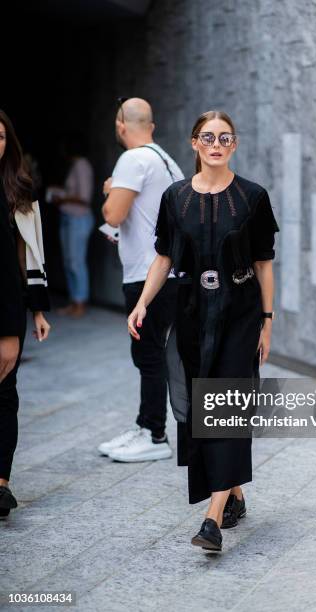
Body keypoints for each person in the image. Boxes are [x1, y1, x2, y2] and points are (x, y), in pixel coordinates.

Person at [127, 110, 279, 551]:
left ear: (234, 145)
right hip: (193, 314)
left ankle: (211, 521)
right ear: (194, 143)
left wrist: (268, 321)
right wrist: (142, 303)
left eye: (225, 138)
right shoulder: (175, 198)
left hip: (240, 314)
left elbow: (263, 264)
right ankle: (233, 494)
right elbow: (164, 259)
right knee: (199, 408)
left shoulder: (253, 197)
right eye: (208, 137)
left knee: (226, 407)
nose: (216, 144)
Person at [98, 97, 184, 462]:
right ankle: (147, 425)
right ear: (152, 123)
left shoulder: (132, 159)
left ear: (121, 125)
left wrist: (109, 191)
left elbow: (114, 214)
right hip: (169, 272)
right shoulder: (168, 161)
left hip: (146, 275)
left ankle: (153, 434)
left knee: (147, 355)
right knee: (153, 354)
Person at [0, 110, 51, 518]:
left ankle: (1, 484)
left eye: (1, 137)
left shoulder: (17, 189)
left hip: (4, 304)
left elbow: (29, 254)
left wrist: (36, 310)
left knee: (4, 394)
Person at [49, 133, 94, 318]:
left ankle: (80, 303)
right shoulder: (75, 165)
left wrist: (62, 197)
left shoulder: (82, 165)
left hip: (78, 218)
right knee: (69, 262)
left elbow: (84, 197)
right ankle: (74, 301)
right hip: (68, 218)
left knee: (76, 262)